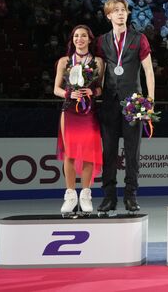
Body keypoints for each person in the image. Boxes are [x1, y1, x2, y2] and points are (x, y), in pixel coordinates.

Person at [96, 0, 155, 215]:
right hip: (109, 103)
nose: (121, 14)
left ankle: (131, 196)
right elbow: (101, 71)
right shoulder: (102, 41)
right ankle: (108, 198)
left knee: (132, 153)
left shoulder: (139, 39)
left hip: (134, 103)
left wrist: (150, 100)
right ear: (109, 15)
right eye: (116, 11)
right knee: (108, 153)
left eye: (124, 10)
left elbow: (148, 71)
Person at [53, 25, 104, 216]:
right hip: (69, 111)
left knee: (89, 152)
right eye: (76, 36)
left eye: (83, 36)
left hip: (89, 112)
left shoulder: (98, 61)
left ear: (90, 40)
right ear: (72, 39)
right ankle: (70, 195)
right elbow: (55, 89)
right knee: (70, 153)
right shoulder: (64, 61)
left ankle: (86, 194)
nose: (79, 39)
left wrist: (93, 91)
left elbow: (101, 88)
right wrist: (68, 93)